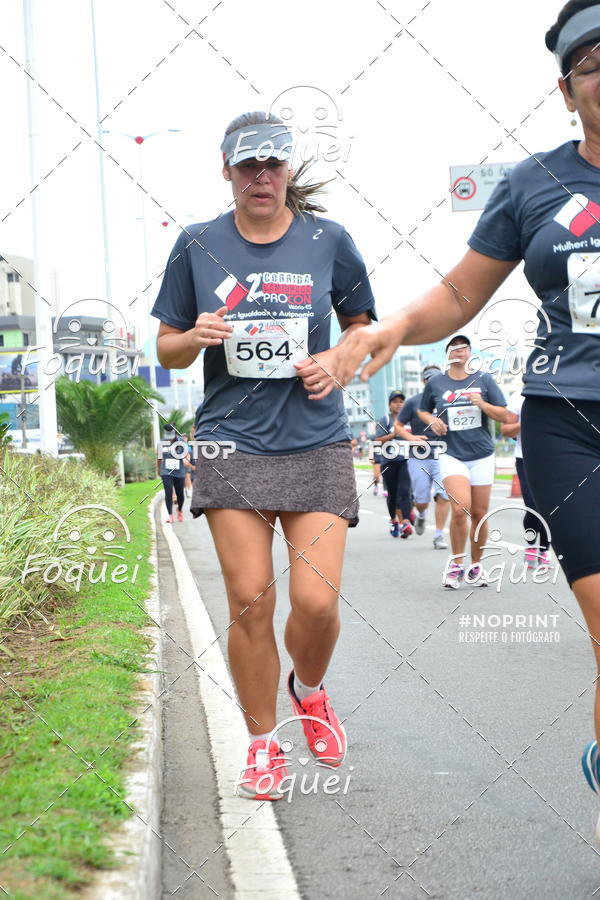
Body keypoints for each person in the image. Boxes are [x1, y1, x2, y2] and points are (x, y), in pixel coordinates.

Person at [337, 0, 600, 834]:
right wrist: (390, 330)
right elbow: (459, 294)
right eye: (595, 63)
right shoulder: (535, 185)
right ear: (567, 90)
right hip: (570, 421)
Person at [151, 111, 376, 800]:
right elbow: (165, 346)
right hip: (231, 441)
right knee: (251, 600)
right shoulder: (197, 245)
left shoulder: (328, 240)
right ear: (227, 171)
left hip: (313, 438)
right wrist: (196, 334)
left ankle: (308, 688)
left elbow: (363, 325)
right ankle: (261, 744)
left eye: (273, 163)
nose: (262, 176)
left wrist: (336, 362)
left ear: (287, 169)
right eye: (248, 165)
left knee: (316, 603)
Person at [417, 337, 508, 587]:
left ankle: (476, 567)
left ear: (470, 352)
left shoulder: (484, 379)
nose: (459, 351)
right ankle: (456, 565)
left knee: (479, 513)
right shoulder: (436, 383)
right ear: (447, 354)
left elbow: (503, 414)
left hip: (482, 454)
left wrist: (483, 404)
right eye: (454, 348)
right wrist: (432, 420)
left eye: (463, 347)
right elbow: (423, 409)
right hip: (452, 453)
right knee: (460, 508)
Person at [398, 364, 450, 548]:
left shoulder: (448, 400)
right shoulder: (413, 402)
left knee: (444, 494)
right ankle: (420, 514)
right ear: (424, 381)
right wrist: (411, 438)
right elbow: (398, 425)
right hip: (418, 456)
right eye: (429, 380)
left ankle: (438, 535)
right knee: (422, 499)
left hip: (443, 455)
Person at [501, 391, 552, 569]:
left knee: (550, 507)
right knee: (532, 506)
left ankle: (544, 550)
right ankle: (531, 546)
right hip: (526, 458)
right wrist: (525, 423)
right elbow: (506, 430)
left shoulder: (559, 395)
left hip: (555, 459)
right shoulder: (517, 398)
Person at [374, 390, 427, 538]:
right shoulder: (385, 419)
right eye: (395, 401)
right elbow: (377, 441)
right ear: (390, 405)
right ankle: (394, 521)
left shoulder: (409, 420)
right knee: (392, 494)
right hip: (389, 461)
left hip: (406, 459)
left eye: (401, 401)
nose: (398, 404)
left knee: (405, 491)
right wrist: (394, 434)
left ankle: (405, 522)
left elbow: (416, 436)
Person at [157, 424, 193, 523]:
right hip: (166, 471)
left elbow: (187, 454)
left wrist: (186, 459)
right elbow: (159, 458)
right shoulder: (161, 443)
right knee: (168, 492)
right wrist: (158, 470)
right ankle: (170, 515)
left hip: (179, 471)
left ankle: (179, 510)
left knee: (180, 494)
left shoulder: (181, 442)